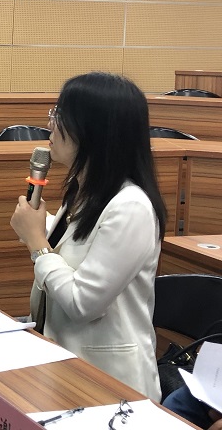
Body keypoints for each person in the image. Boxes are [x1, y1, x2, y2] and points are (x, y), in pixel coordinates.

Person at [9, 72, 166, 402]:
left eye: (59, 115)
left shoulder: (131, 207)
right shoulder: (85, 191)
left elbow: (83, 303)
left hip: (111, 384)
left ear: (92, 130)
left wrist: (38, 244)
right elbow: (77, 248)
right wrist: (38, 225)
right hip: (65, 366)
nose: (49, 126)